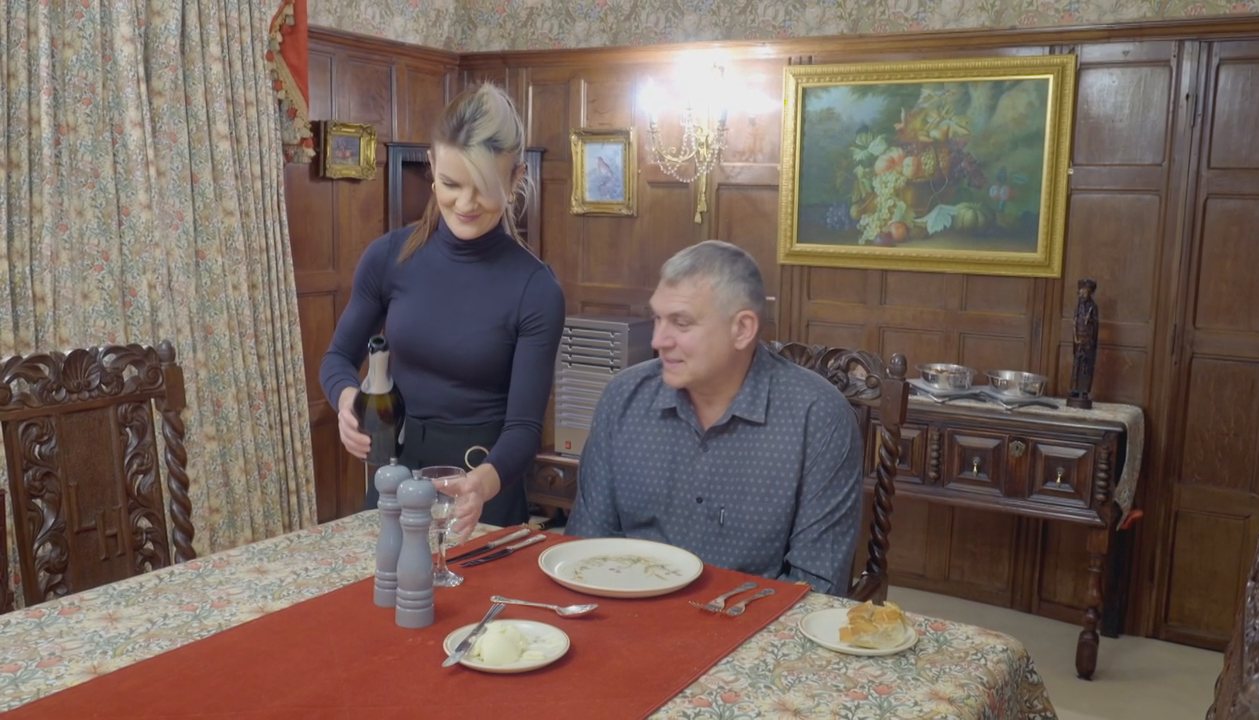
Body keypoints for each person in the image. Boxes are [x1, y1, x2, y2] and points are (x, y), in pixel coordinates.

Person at [320, 82, 566, 540]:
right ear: (432, 166)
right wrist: (347, 401)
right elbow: (336, 359)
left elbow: (524, 428)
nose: (465, 204)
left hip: (483, 487)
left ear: (516, 178)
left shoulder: (536, 289)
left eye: (484, 188)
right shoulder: (388, 257)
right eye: (452, 184)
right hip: (395, 477)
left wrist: (481, 484)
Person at [564, 240, 863, 595]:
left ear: (742, 329)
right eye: (657, 318)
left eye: (681, 323)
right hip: (629, 609)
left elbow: (815, 587)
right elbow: (586, 547)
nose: (658, 340)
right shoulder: (623, 397)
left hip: (751, 619)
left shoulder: (818, 417)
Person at [1069, 278, 1099, 405]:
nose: (1082, 295)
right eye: (1080, 292)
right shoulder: (1078, 307)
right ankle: (1075, 389)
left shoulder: (1093, 307)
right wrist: (1075, 337)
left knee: (1086, 367)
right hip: (1078, 340)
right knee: (1076, 365)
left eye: (1084, 293)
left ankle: (1084, 390)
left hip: (1088, 341)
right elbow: (1074, 322)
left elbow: (1096, 325)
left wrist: (1090, 322)